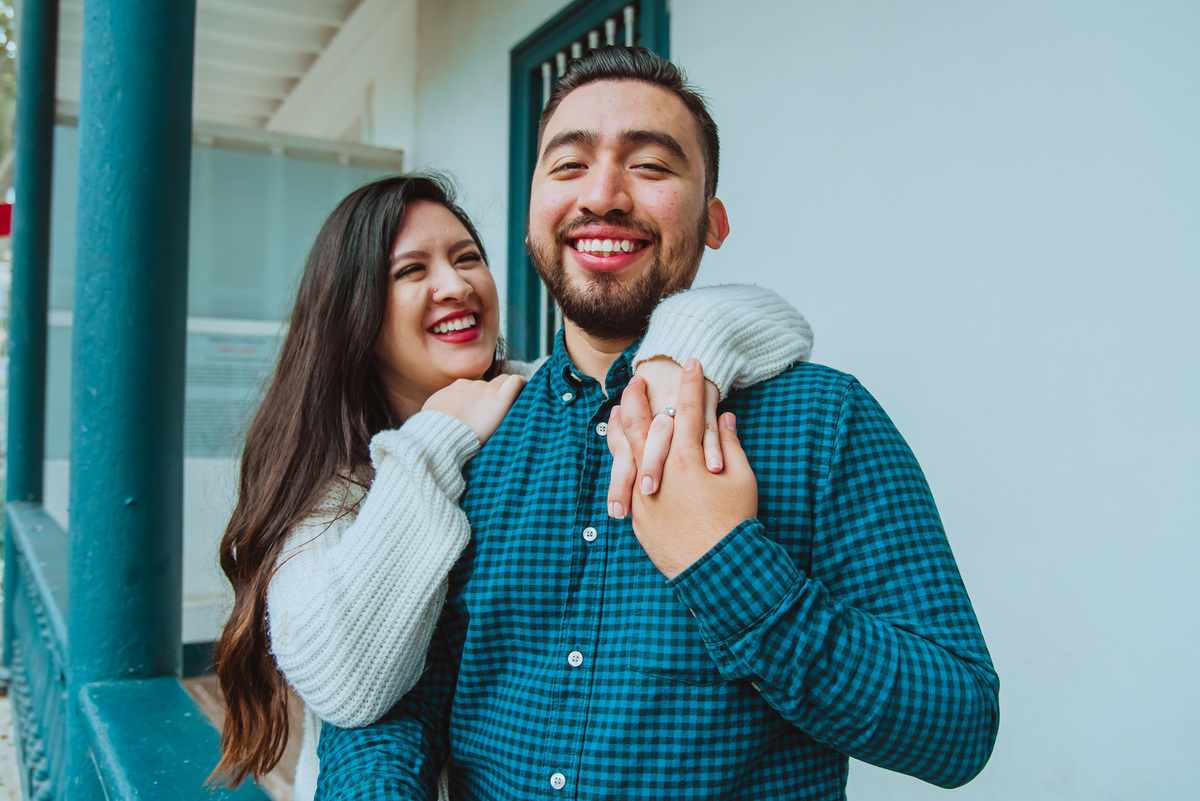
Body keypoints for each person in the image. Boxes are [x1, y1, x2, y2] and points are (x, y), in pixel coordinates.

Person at [316, 46, 1000, 800]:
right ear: (533, 212)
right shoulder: (469, 441)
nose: (603, 195)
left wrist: (727, 564)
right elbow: (391, 701)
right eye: (569, 166)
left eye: (649, 166)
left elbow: (961, 723)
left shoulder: (823, 421)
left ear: (713, 221)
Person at [207, 174, 814, 800]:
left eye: (467, 257)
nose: (456, 285)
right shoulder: (330, 486)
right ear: (351, 310)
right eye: (411, 271)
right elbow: (344, 682)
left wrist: (673, 353)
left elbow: (774, 319)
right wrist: (433, 440)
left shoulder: (542, 402)